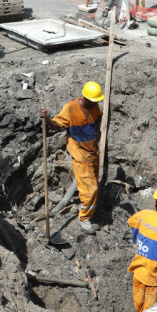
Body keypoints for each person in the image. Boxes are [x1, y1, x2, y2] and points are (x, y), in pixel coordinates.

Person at [40, 81, 104, 232]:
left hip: (93, 151)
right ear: (85, 97)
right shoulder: (70, 108)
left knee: (92, 185)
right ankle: (84, 218)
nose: (95, 104)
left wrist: (99, 133)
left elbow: (99, 116)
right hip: (80, 154)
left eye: (97, 101)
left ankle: (88, 208)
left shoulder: (94, 105)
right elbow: (56, 126)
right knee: (91, 189)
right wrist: (47, 118)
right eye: (93, 101)